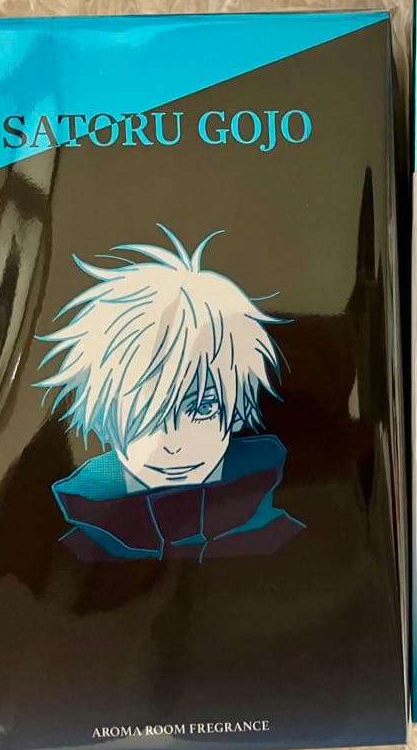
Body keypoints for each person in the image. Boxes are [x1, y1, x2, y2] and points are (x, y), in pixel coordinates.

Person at [36, 224, 304, 560]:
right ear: (106, 416)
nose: (174, 444)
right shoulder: (73, 557)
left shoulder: (288, 541)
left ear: (235, 412)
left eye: (202, 408)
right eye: (146, 414)